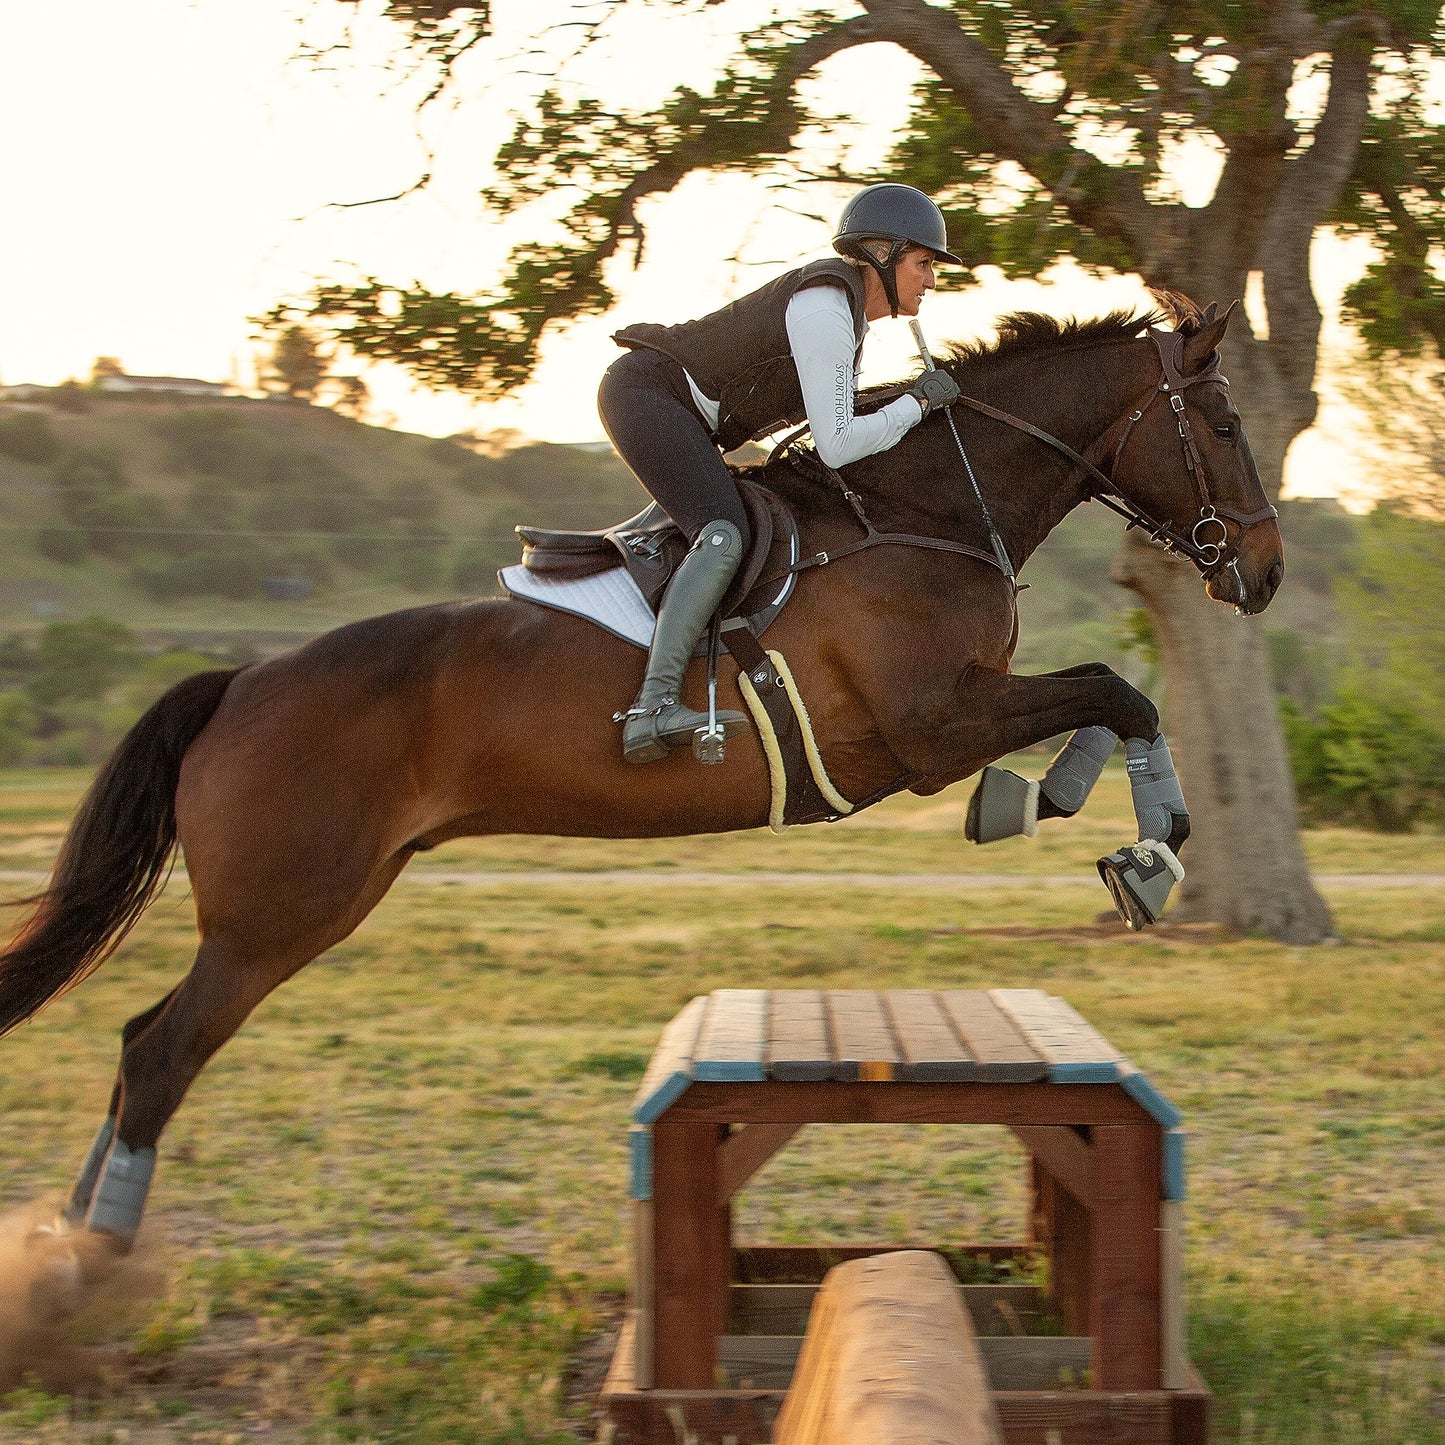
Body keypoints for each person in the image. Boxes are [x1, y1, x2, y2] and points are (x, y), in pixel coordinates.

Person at [601, 182, 964, 764]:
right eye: (923, 263)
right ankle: (653, 705)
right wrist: (918, 404)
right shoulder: (825, 307)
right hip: (646, 394)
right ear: (882, 254)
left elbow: (834, 426)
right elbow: (838, 443)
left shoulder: (846, 315)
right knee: (722, 535)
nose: (931, 280)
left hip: (676, 410)